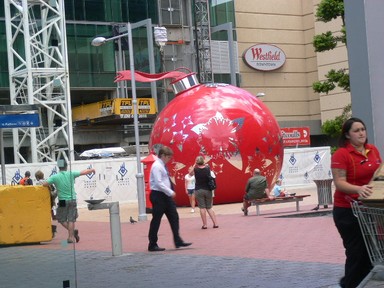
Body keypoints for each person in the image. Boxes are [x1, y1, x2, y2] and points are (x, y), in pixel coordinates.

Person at [331, 117, 382, 288]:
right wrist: (358, 189)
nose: (361, 133)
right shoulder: (342, 154)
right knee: (357, 252)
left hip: (368, 209)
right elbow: (339, 182)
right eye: (356, 130)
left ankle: (355, 283)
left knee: (371, 253)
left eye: (363, 129)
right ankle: (350, 284)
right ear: (347, 135)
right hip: (348, 210)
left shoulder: (372, 150)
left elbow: (378, 174)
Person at [148, 146, 192, 252]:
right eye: (168, 157)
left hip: (165, 196)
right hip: (159, 195)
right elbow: (158, 183)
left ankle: (177, 240)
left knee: (174, 217)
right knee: (156, 220)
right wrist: (170, 192)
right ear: (162, 155)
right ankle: (152, 243)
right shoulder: (157, 166)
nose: (170, 159)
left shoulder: (162, 165)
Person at [43, 160, 96, 244]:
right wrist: (91, 170)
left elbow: (44, 184)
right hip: (72, 199)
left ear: (59, 167)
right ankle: (71, 237)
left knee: (60, 218)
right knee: (71, 219)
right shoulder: (71, 174)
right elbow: (83, 172)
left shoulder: (55, 177)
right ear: (66, 166)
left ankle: (72, 232)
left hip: (62, 200)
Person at [193, 155, 218, 229]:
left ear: (197, 162)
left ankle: (205, 224)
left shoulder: (196, 170)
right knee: (209, 207)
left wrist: (195, 164)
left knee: (202, 208)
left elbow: (190, 172)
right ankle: (215, 223)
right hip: (208, 190)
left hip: (199, 189)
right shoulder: (207, 168)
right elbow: (206, 165)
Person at [35, 170, 57, 237]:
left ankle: (50, 230)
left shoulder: (38, 183)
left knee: (42, 217)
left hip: (42, 202)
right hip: (50, 202)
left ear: (37, 177)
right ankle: (52, 229)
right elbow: (54, 191)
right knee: (49, 217)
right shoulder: (48, 181)